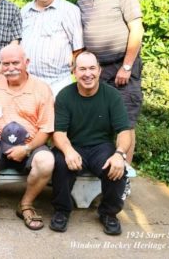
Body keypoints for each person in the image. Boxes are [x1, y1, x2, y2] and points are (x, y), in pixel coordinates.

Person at [77, 0, 144, 199]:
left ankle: (122, 175)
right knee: (98, 120)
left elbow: (136, 28)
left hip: (122, 66)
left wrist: (127, 66)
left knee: (124, 121)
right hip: (96, 70)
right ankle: (101, 172)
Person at [0, 45, 55, 234]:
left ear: (26, 63)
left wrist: (27, 148)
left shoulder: (42, 89)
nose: (10, 68)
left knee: (47, 161)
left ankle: (26, 204)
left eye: (15, 63)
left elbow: (46, 130)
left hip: (31, 143)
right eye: (6, 63)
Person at [50, 51, 131, 236]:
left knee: (115, 167)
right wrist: (68, 151)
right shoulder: (64, 96)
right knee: (61, 163)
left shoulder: (112, 96)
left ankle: (109, 214)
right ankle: (62, 211)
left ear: (100, 70)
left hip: (101, 147)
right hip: (73, 144)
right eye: (83, 69)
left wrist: (119, 154)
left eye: (92, 68)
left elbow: (124, 132)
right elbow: (59, 133)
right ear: (75, 72)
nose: (88, 74)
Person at [21, 0, 84, 97]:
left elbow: (78, 48)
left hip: (58, 83)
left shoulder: (69, 10)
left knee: (57, 118)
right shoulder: (24, 11)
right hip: (28, 82)